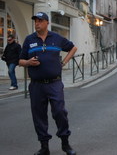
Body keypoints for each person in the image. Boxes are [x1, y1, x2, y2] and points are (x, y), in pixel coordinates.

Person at [19, 12, 77, 155]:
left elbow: (73, 48)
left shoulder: (56, 38)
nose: (37, 23)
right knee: (39, 115)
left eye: (40, 21)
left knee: (60, 112)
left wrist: (63, 62)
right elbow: (20, 60)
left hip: (54, 83)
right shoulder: (29, 39)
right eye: (35, 21)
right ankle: (44, 147)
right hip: (36, 85)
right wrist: (28, 62)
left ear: (47, 23)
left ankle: (65, 143)